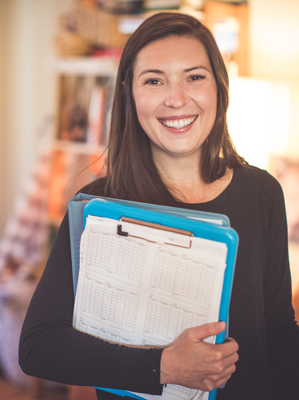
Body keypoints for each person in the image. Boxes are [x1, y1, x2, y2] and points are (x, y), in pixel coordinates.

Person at [19, 12, 299, 400]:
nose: (177, 98)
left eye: (194, 77)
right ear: (130, 94)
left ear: (219, 86)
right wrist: (163, 365)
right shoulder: (100, 209)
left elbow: (280, 332)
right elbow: (38, 348)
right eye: (154, 80)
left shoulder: (263, 192)